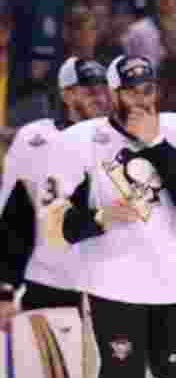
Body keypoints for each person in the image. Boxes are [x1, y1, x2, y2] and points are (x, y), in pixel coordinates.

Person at [42, 53, 176, 378]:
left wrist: (156, 144)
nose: (140, 99)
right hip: (113, 285)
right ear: (112, 92)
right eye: (129, 90)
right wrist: (101, 217)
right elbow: (53, 227)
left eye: (147, 89)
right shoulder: (78, 142)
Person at [1, 57, 110, 328]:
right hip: (48, 280)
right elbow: (15, 217)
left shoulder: (121, 140)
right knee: (47, 369)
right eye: (88, 90)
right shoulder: (34, 138)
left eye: (102, 89)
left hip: (107, 285)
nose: (99, 97)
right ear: (66, 94)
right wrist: (5, 287)